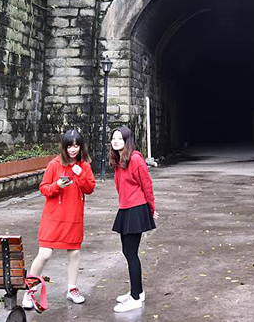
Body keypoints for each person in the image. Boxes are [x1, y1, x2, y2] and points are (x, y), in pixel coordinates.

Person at [22, 129, 96, 311]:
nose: (73, 150)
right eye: (70, 146)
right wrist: (57, 185)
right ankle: (29, 291)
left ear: (81, 147)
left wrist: (80, 175)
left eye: (77, 146)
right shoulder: (54, 164)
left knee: (74, 253)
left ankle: (72, 288)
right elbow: (44, 188)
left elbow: (89, 188)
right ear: (64, 147)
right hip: (53, 217)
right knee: (45, 253)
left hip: (73, 216)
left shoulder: (84, 165)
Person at [110, 126, 158, 313]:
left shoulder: (136, 159)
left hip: (135, 209)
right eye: (113, 138)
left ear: (127, 141)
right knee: (128, 251)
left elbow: (147, 184)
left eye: (120, 139)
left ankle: (136, 298)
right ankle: (137, 292)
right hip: (126, 208)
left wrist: (151, 208)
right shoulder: (119, 160)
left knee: (131, 253)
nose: (115, 141)